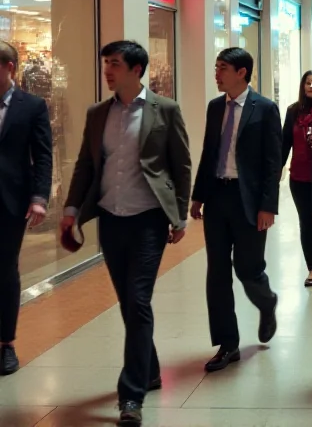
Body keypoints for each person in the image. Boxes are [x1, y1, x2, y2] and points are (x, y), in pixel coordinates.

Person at [60, 40, 191, 427]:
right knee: (128, 303)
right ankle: (149, 369)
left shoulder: (164, 109)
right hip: (111, 219)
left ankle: (131, 395)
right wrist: (70, 210)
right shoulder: (98, 112)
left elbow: (180, 164)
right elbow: (86, 164)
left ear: (136, 69)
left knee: (137, 301)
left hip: (149, 219)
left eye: (115, 64)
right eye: (106, 64)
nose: (108, 70)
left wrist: (179, 215)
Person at [191, 48, 281, 374]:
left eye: (222, 68)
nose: (217, 74)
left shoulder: (266, 109)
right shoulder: (215, 108)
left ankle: (266, 301)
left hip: (250, 201)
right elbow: (208, 153)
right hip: (217, 197)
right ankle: (227, 344)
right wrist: (198, 196)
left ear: (242, 72)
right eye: (216, 68)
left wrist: (268, 206)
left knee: (248, 269)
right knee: (217, 272)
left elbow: (273, 163)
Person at [0, 41, 52, 375]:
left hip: (10, 200)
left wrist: (39, 198)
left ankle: (6, 344)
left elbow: (43, 154)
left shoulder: (32, 106)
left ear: (9, 68)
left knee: (5, 271)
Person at [282, 70, 312, 287]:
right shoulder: (293, 111)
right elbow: (284, 142)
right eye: (308, 83)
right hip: (300, 177)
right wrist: (277, 169)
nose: (311, 86)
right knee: (305, 222)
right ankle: (311, 268)